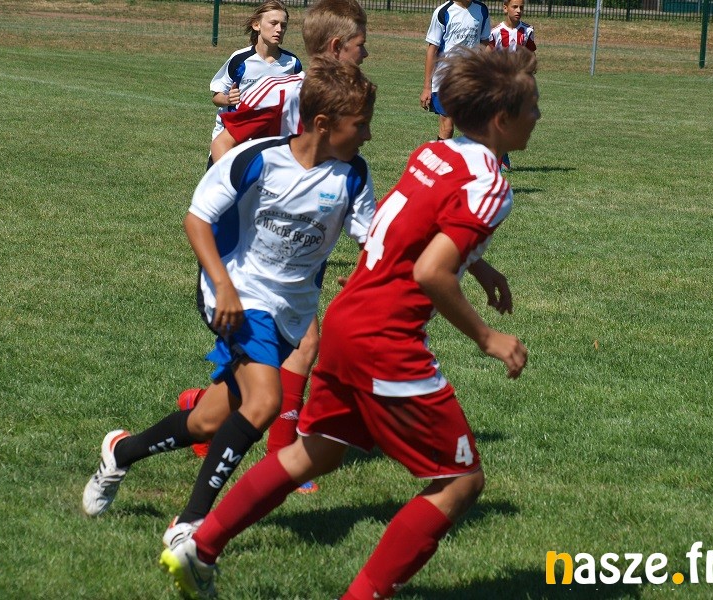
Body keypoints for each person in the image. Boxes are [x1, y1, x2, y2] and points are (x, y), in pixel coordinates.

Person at [161, 46, 539, 600]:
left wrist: (479, 266)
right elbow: (431, 271)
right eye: (533, 107)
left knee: (316, 451)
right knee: (459, 482)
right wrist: (488, 337)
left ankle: (201, 546)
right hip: (387, 339)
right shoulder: (490, 185)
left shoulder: (434, 153)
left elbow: (406, 228)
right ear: (502, 120)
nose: (539, 117)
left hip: (345, 320)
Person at [81, 56, 375, 547]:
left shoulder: (353, 176)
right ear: (323, 124)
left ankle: (121, 452)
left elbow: (374, 241)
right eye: (360, 125)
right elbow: (196, 220)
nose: (367, 135)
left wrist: (386, 272)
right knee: (264, 402)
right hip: (236, 291)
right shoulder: (259, 159)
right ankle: (190, 523)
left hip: (290, 313)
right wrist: (224, 287)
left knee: (208, 421)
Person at [177, 0, 369, 487]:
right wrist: (233, 204)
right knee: (304, 344)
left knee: (283, 351)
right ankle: (283, 459)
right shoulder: (283, 90)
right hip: (256, 245)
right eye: (360, 46)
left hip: (303, 239)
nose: (365, 55)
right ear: (336, 47)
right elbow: (226, 139)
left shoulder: (344, 101)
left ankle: (201, 409)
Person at [205, 1, 302, 170]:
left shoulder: (292, 64)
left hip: (270, 144)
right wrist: (228, 99)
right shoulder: (240, 59)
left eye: (283, 25)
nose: (279, 29)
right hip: (231, 140)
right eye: (273, 23)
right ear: (257, 25)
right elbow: (216, 97)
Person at [420, 0, 490, 141]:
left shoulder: (482, 10)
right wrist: (427, 87)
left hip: (470, 78)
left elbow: (485, 43)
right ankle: (440, 155)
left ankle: (468, 154)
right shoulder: (443, 12)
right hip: (445, 79)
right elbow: (432, 50)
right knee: (447, 128)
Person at [488, 0, 536, 172]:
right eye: (514, 7)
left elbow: (530, 53)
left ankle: (502, 154)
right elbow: (487, 55)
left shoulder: (528, 31)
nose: (518, 10)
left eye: (521, 7)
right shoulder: (496, 32)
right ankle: (497, 162)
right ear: (505, 8)